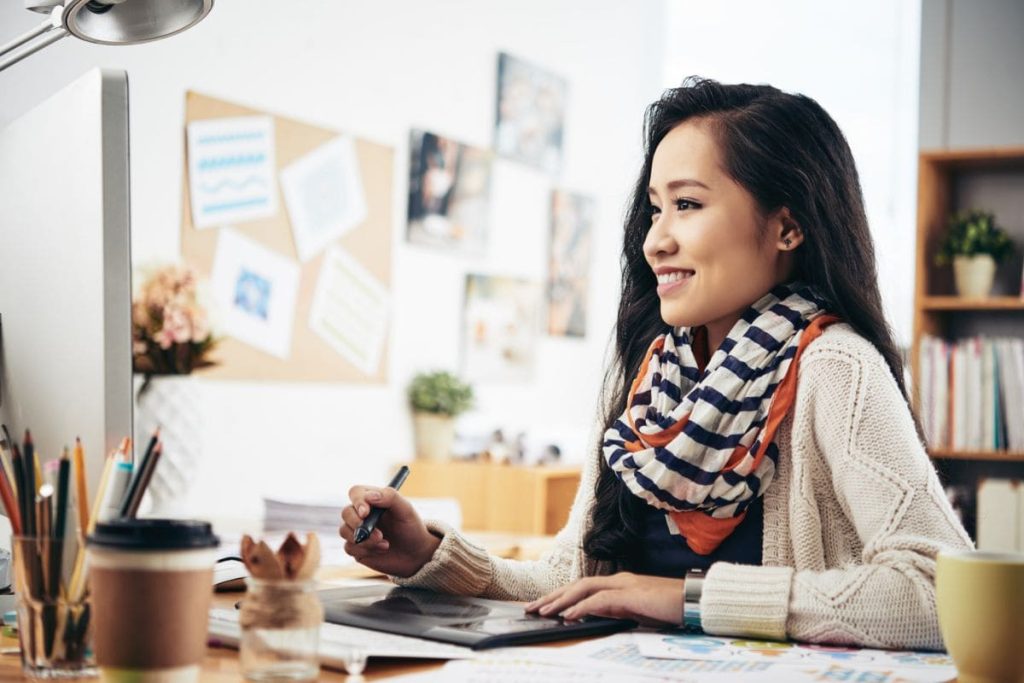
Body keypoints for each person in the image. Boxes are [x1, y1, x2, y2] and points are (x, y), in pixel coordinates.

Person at [340, 77, 972, 650]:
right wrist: (427, 552)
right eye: (654, 207)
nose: (654, 239)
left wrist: (687, 601)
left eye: (688, 205)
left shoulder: (836, 366)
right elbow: (572, 581)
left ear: (787, 226)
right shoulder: (647, 375)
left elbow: (943, 595)